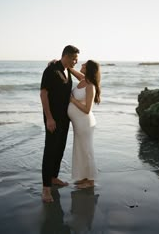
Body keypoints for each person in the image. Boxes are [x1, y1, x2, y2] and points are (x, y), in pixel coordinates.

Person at [40, 45, 80, 202]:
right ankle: (45, 189)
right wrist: (49, 118)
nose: (76, 61)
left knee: (60, 148)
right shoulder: (51, 70)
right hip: (53, 118)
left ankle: (54, 177)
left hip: (65, 118)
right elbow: (43, 94)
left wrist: (70, 67)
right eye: (74, 58)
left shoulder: (67, 70)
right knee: (50, 150)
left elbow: (83, 79)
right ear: (67, 56)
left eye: (76, 59)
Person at [68, 60, 101, 189]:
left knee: (86, 150)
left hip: (85, 122)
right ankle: (83, 178)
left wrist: (72, 100)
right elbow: (71, 70)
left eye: (84, 65)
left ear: (89, 69)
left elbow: (87, 109)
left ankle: (90, 181)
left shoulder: (90, 86)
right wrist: (58, 63)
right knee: (80, 149)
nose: (81, 65)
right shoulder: (82, 79)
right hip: (78, 123)